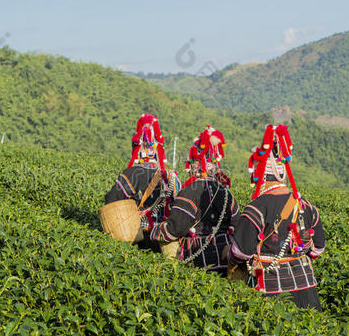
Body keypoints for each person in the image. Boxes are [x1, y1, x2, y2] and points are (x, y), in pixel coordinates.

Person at [226, 124, 326, 310]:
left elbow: (241, 252)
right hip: (307, 289)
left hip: (271, 291)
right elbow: (318, 249)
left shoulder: (256, 208)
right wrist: (295, 258)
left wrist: (229, 253)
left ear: (260, 176)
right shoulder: (306, 206)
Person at [150, 126, 239, 274]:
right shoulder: (226, 193)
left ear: (195, 165)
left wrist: (154, 231)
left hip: (198, 261)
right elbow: (237, 225)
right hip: (225, 264)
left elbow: (174, 229)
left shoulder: (188, 192)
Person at [104, 114, 180, 251]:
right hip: (166, 242)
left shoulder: (133, 173)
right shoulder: (173, 177)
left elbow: (112, 199)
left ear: (138, 148)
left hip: (140, 238)